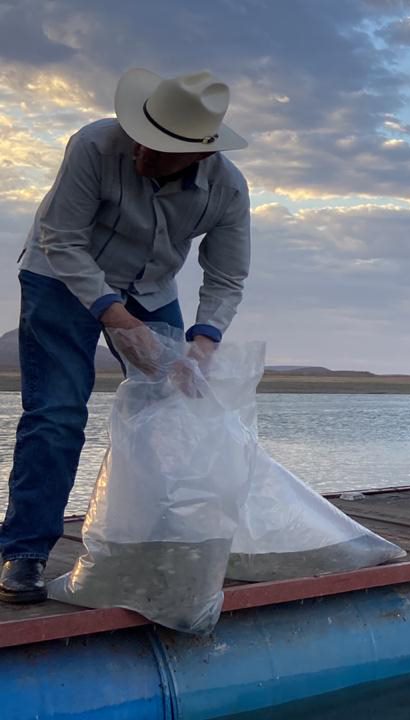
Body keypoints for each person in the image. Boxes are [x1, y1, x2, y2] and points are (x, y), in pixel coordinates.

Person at [0, 69, 252, 604]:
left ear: (200, 155)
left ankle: (156, 538)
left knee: (175, 407)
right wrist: (118, 319)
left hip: (152, 286)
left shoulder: (228, 189)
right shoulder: (93, 145)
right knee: (57, 412)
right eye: (142, 140)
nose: (143, 156)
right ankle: (24, 552)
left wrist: (202, 344)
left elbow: (227, 275)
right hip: (59, 276)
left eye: (161, 153)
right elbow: (62, 237)